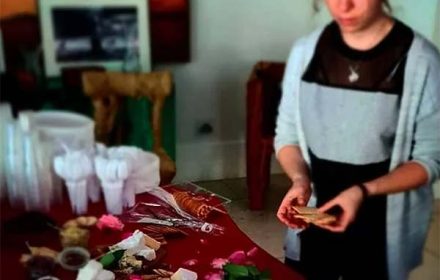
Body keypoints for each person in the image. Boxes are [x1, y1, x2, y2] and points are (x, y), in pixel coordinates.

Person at [274, 0, 440, 279]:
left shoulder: (421, 60)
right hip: (315, 221)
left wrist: (361, 191)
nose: (344, 6)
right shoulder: (306, 52)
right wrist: (300, 179)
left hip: (381, 229)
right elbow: (287, 134)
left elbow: (430, 159)